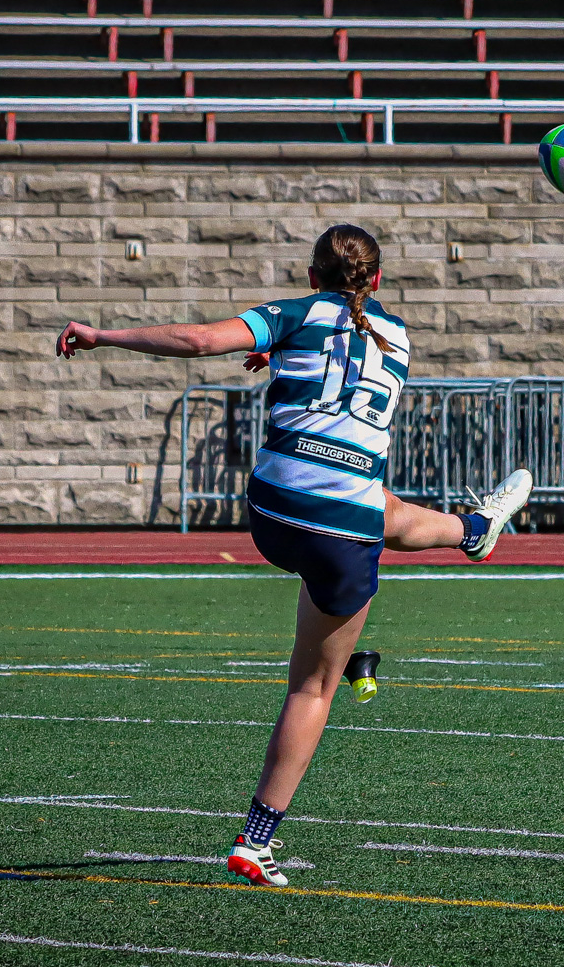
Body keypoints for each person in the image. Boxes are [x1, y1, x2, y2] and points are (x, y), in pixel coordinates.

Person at [54, 223, 533, 884]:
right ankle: (255, 841)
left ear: (312, 277)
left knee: (385, 511)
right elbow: (348, 377)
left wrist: (102, 335)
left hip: (273, 511)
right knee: (314, 685)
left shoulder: (294, 314)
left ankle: (472, 531)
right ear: (378, 281)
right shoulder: (399, 337)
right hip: (340, 531)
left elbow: (200, 341)